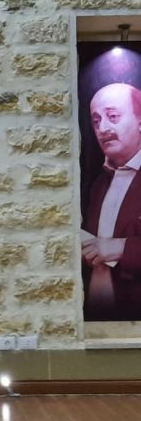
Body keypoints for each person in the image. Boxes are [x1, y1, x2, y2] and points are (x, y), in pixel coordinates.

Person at [82, 82, 141, 321]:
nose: (103, 128)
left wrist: (120, 248)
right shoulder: (97, 182)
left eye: (113, 116)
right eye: (96, 121)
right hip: (96, 323)